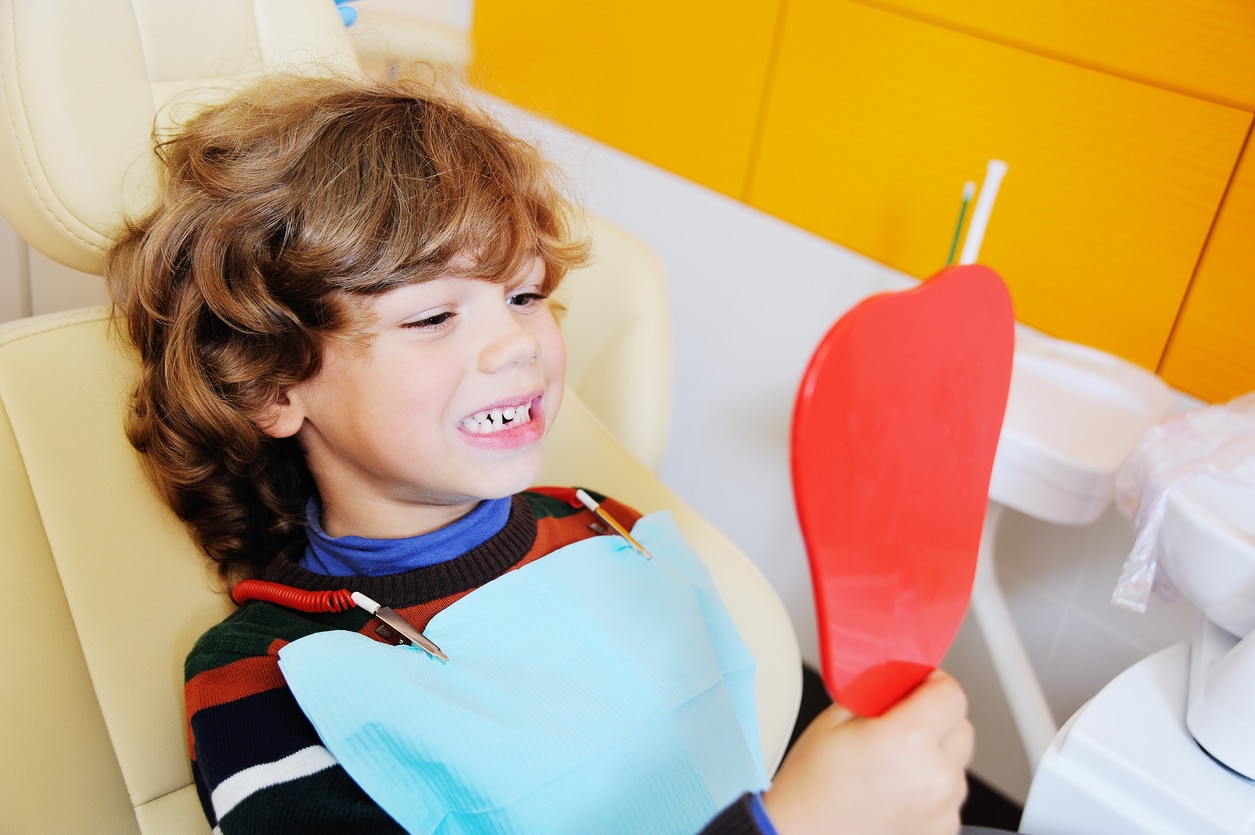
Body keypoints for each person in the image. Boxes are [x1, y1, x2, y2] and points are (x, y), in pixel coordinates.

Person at [105, 70, 973, 835]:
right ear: (272, 384)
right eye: (433, 316)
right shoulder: (264, 681)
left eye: (524, 293)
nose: (517, 344)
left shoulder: (607, 528)